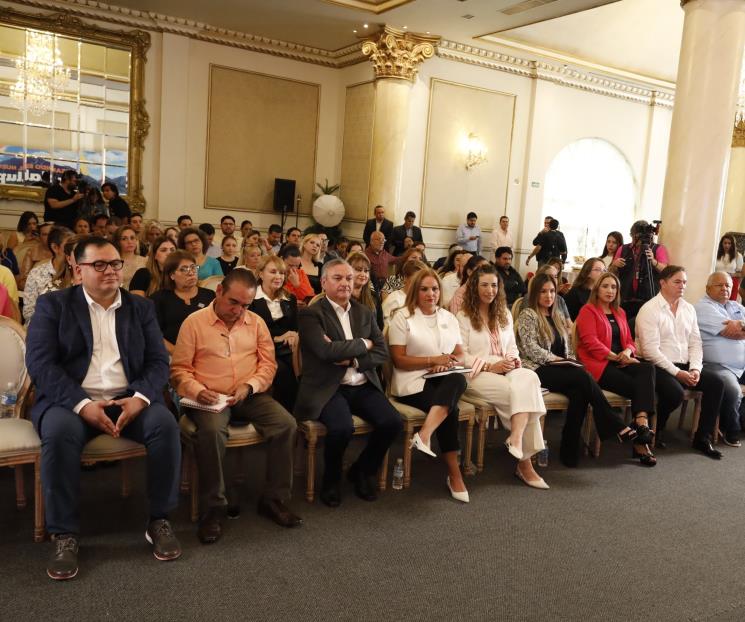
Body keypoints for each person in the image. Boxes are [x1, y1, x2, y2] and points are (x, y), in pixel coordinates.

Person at [26, 236, 181, 580]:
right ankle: (64, 533)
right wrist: (82, 405)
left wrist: (139, 398)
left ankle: (159, 519)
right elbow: (40, 364)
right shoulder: (55, 305)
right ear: (77, 269)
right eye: (99, 265)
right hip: (71, 401)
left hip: (128, 397)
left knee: (166, 425)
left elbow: (158, 362)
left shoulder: (139, 308)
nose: (110, 271)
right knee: (59, 434)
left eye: (114, 264)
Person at [171, 269, 302, 541]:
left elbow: (268, 365)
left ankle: (273, 499)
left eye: (246, 305)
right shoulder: (194, 323)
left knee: (286, 424)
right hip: (207, 396)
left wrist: (250, 386)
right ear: (219, 291)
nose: (239, 311)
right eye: (234, 302)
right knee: (212, 432)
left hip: (248, 392)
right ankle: (213, 508)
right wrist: (198, 390)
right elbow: (179, 370)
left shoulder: (256, 323)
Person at [295, 259, 402, 506]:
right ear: (323, 282)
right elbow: (325, 351)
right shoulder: (311, 314)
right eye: (337, 278)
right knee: (342, 427)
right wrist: (364, 344)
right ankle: (331, 479)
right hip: (327, 387)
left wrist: (353, 360)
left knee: (392, 422)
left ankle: (362, 471)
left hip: (362, 383)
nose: (345, 283)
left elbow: (382, 352)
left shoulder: (364, 312)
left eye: (349, 278)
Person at [516, 272, 639, 467]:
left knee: (580, 391)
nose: (548, 296)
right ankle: (613, 422)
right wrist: (559, 360)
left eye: (552, 291)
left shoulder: (556, 315)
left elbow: (570, 348)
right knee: (582, 377)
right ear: (535, 294)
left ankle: (569, 449)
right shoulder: (528, 314)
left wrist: (571, 361)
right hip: (537, 370)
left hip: (561, 369)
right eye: (543, 292)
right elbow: (531, 349)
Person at [457, 266, 548, 488]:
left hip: (505, 369)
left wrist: (513, 361)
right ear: (474, 288)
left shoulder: (504, 313)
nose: (490, 290)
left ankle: (516, 437)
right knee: (521, 394)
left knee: (530, 378)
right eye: (485, 285)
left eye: (494, 285)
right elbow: (461, 355)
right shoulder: (463, 316)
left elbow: (512, 348)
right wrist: (491, 366)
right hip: (478, 373)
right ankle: (525, 464)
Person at [389, 267, 469, 501]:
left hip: (442, 378)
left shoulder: (448, 317)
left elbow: (460, 355)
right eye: (424, 289)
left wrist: (445, 364)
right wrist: (432, 360)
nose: (430, 294)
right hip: (410, 382)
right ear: (415, 290)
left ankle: (424, 435)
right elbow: (398, 359)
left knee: (457, 378)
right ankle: (455, 474)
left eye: (434, 289)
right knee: (449, 408)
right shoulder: (402, 316)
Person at [635, 266, 725, 457]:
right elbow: (650, 351)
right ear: (663, 283)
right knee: (674, 392)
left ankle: (702, 438)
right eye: (677, 282)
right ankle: (657, 427)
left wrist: (695, 369)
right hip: (656, 365)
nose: (682, 286)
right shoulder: (649, 309)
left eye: (684, 282)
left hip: (684, 364)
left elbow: (696, 343)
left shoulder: (688, 308)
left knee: (716, 383)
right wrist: (678, 373)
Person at [575, 272, 658, 465]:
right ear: (597, 289)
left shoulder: (619, 312)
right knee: (641, 388)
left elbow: (629, 341)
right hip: (599, 365)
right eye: (605, 286)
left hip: (621, 361)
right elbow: (590, 342)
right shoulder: (588, 311)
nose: (610, 291)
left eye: (614, 287)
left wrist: (628, 353)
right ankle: (641, 442)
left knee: (647, 369)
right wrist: (615, 356)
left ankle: (641, 422)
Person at [694, 272, 745, 446]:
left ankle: (740, 419)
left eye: (728, 285)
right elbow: (734, 333)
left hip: (741, 366)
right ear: (708, 288)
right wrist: (739, 327)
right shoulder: (703, 308)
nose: (725, 288)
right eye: (719, 285)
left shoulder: (735, 306)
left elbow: (740, 330)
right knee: (733, 390)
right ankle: (730, 429)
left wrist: (741, 325)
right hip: (716, 365)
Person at [249, 255, 299, 413]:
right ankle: (286, 414)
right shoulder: (250, 298)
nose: (279, 276)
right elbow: (248, 330)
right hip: (260, 348)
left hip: (289, 348)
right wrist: (277, 337)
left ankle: (303, 414)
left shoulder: (289, 298)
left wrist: (293, 334)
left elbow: (295, 326)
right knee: (283, 371)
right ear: (261, 274)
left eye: (282, 273)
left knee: (308, 366)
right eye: (273, 272)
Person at [149, 251, 215, 354]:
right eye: (183, 269)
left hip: (206, 353)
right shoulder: (158, 299)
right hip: (171, 354)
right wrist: (178, 353)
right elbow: (154, 334)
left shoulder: (210, 295)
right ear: (172, 275)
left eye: (193, 267)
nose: (190, 272)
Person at [612, 220, 669, 322]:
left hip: (648, 300)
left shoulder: (658, 249)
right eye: (634, 236)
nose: (636, 240)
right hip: (625, 298)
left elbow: (666, 270)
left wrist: (653, 261)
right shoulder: (623, 249)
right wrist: (615, 265)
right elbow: (611, 271)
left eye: (639, 237)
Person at [23, 226, 74, 324]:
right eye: (68, 247)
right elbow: (28, 313)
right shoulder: (36, 273)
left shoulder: (78, 271)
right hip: (42, 326)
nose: (73, 251)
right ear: (55, 247)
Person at [382, 260, 427, 328]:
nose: (419, 284)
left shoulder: (422, 298)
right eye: (415, 280)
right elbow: (388, 331)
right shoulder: (395, 300)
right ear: (405, 278)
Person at [347, 251, 384, 330]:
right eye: (358, 270)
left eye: (366, 271)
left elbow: (380, 326)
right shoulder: (340, 296)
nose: (363, 274)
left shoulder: (373, 296)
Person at [19, 222, 53, 290]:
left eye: (51, 234)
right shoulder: (31, 252)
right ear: (39, 237)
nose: (48, 237)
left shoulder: (62, 251)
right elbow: (22, 282)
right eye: (44, 234)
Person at [113, 225, 147, 290]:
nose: (129, 242)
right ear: (118, 242)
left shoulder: (146, 261)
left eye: (132, 238)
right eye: (124, 239)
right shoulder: (113, 262)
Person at [715, 233, 743, 300]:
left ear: (732, 244)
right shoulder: (716, 254)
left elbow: (741, 273)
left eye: (729, 243)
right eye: (725, 243)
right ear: (722, 244)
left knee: (730, 303)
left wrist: (731, 275)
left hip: (731, 282)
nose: (727, 245)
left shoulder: (738, 256)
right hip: (717, 282)